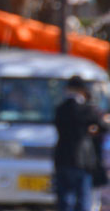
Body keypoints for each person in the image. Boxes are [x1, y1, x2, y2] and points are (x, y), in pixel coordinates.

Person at [54, 75, 104, 211]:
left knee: (65, 199)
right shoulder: (87, 110)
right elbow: (102, 126)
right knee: (83, 198)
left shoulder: (60, 109)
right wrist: (92, 129)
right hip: (82, 159)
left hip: (62, 157)